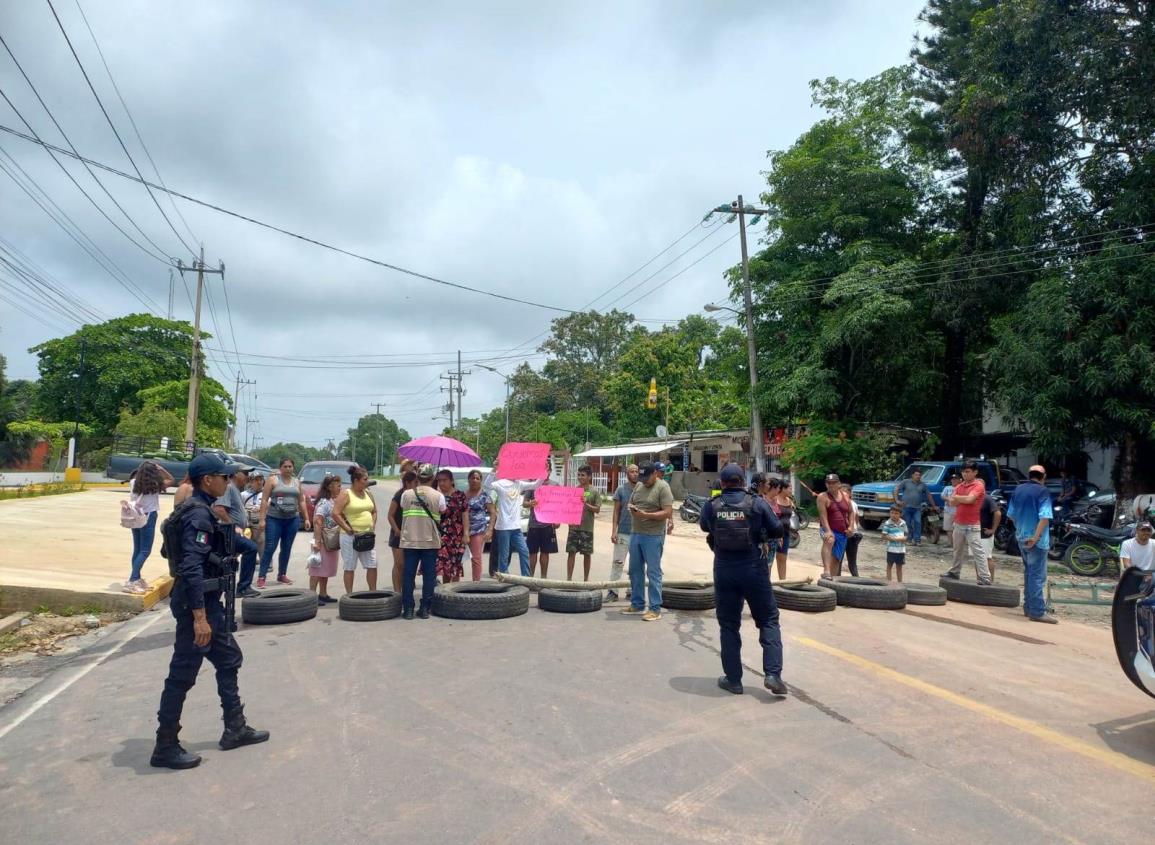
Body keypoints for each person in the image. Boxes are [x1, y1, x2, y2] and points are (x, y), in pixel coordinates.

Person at [150, 452, 268, 770]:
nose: (228, 482)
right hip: (195, 605)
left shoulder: (204, 511)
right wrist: (199, 617)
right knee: (182, 675)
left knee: (229, 658)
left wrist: (243, 542)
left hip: (206, 603)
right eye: (224, 477)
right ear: (208, 480)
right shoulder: (197, 515)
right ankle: (165, 745)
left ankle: (235, 727)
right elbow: (190, 567)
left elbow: (223, 544)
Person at [699, 463, 787, 696]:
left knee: (729, 625)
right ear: (743, 481)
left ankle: (733, 680)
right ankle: (772, 674)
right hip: (754, 569)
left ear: (723, 482)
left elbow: (704, 527)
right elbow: (778, 529)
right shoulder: (757, 503)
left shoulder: (712, 506)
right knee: (768, 620)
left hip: (725, 569)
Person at [621, 462, 673, 621]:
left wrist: (646, 515)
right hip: (636, 533)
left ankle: (655, 609)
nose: (643, 480)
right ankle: (637, 603)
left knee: (653, 572)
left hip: (653, 535)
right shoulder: (638, 486)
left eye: (646, 477)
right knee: (635, 571)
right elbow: (631, 502)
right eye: (640, 477)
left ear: (655, 474)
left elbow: (667, 512)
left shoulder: (662, 487)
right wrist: (632, 509)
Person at [1007, 465, 1055, 623]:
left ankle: (1029, 607)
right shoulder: (1043, 492)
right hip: (1037, 541)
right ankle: (1037, 611)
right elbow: (1044, 517)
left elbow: (1012, 515)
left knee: (1029, 573)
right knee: (1036, 575)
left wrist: (1021, 530)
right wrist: (1036, 536)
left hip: (1021, 537)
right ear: (1043, 476)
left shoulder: (1018, 490)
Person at [400, 464, 447, 618]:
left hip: (410, 541)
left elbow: (402, 507)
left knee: (408, 576)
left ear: (418, 477)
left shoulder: (406, 494)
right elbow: (443, 511)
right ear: (433, 478)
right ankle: (425, 608)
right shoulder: (438, 496)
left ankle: (407, 609)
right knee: (429, 577)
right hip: (429, 541)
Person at [257, 458, 311, 588]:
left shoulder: (297, 482)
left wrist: (307, 518)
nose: (288, 469)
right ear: (280, 468)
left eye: (290, 466)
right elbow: (264, 499)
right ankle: (262, 576)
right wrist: (262, 519)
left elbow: (301, 501)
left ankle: (282, 574)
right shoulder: (273, 480)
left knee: (286, 548)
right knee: (270, 547)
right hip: (274, 519)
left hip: (292, 519)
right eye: (285, 466)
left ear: (293, 468)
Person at [124, 460, 174, 593]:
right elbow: (171, 479)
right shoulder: (155, 485)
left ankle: (137, 578)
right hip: (148, 516)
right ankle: (132, 579)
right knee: (145, 550)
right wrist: (161, 469)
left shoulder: (133, 482)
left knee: (137, 549)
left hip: (135, 515)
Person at [211, 466, 260, 599]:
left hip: (234, 532)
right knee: (251, 548)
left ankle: (227, 592)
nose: (247, 476)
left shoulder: (236, 489)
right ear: (235, 474)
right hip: (227, 532)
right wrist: (232, 525)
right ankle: (243, 587)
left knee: (228, 566)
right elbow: (219, 509)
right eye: (244, 473)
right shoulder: (228, 487)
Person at [488, 466, 543, 576]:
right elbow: (487, 485)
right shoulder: (500, 483)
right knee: (504, 555)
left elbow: (535, 485)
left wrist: (543, 471)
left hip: (516, 527)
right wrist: (494, 470)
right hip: (503, 527)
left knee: (524, 551)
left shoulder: (519, 484)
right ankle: (504, 577)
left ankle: (526, 578)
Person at [333, 465, 378, 593]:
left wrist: (372, 525)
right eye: (365, 479)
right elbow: (335, 513)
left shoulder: (368, 493)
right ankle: (349, 595)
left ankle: (373, 592)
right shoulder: (346, 493)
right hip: (350, 537)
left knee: (372, 564)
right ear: (356, 480)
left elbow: (374, 511)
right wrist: (347, 528)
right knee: (350, 566)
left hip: (367, 535)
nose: (367, 481)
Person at [945, 460, 991, 584]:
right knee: (957, 550)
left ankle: (985, 577)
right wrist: (963, 499)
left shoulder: (978, 485)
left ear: (975, 472)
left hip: (972, 524)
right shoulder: (960, 486)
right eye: (963, 471)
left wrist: (959, 498)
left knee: (978, 551)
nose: (965, 474)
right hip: (959, 522)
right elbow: (952, 502)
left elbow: (969, 499)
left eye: (968, 471)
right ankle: (955, 572)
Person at [608, 464, 639, 602]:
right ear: (627, 474)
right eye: (632, 471)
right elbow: (616, 512)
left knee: (636, 564)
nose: (635, 474)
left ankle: (632, 591)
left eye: (637, 471)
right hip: (623, 532)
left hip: (638, 533)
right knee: (618, 562)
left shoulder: (642, 490)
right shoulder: (621, 489)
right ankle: (613, 591)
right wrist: (614, 531)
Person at [308, 474, 341, 604]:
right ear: (329, 487)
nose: (340, 487)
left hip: (330, 540)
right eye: (337, 485)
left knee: (325, 569)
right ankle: (311, 596)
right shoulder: (324, 503)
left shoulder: (333, 501)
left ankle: (323, 593)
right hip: (321, 540)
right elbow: (317, 522)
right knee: (317, 568)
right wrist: (317, 542)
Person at [566, 465, 601, 581]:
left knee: (587, 554)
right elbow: (568, 508)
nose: (580, 477)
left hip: (587, 527)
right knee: (571, 553)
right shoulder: (574, 490)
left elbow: (597, 509)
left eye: (583, 475)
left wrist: (586, 504)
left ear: (589, 477)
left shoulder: (594, 491)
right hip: (573, 527)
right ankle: (569, 580)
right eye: (579, 475)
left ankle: (586, 580)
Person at [435, 469, 469, 584]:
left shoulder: (460, 496)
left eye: (444, 480)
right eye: (439, 480)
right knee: (444, 565)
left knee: (456, 564)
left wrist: (466, 534)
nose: (441, 483)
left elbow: (465, 515)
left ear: (451, 481)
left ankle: (454, 592)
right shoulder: (436, 496)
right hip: (441, 535)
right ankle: (445, 590)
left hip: (457, 536)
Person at [387, 470, 418, 591]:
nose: (417, 484)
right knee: (399, 564)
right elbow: (390, 515)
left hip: (412, 534)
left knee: (409, 565)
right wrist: (396, 529)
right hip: (398, 534)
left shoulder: (417, 496)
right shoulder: (399, 495)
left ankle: (407, 589)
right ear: (407, 483)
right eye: (415, 482)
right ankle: (397, 592)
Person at [816, 473, 851, 577]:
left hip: (842, 530)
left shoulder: (845, 495)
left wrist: (851, 526)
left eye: (833, 483)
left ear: (839, 484)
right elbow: (823, 516)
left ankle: (833, 579)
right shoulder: (822, 497)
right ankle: (826, 570)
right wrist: (828, 531)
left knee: (836, 558)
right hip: (827, 528)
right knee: (829, 540)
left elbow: (851, 512)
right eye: (828, 483)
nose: (831, 485)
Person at [524, 478, 559, 578]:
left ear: (550, 470)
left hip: (548, 525)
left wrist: (557, 520)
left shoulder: (555, 485)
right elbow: (524, 503)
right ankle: (530, 578)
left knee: (545, 552)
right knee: (532, 552)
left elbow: (560, 505)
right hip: (534, 524)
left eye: (547, 468)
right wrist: (531, 503)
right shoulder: (532, 484)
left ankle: (543, 578)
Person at [465, 470, 493, 582]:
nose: (474, 480)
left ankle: (476, 584)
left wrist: (490, 529)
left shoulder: (484, 495)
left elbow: (493, 512)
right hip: (462, 530)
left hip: (478, 530)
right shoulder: (463, 495)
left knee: (476, 559)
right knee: (457, 558)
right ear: (469, 480)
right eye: (472, 478)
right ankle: (454, 584)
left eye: (477, 478)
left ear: (481, 481)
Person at [896, 469, 936, 546]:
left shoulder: (923, 485)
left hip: (917, 508)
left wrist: (934, 505)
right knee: (907, 523)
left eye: (919, 475)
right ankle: (909, 539)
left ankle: (917, 540)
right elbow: (896, 489)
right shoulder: (906, 482)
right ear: (912, 475)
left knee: (918, 523)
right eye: (916, 475)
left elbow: (929, 495)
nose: (918, 476)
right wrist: (897, 500)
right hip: (906, 507)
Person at [766, 478, 793, 581]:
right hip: (774, 534)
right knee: (770, 559)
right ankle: (767, 582)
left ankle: (783, 581)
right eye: (790, 488)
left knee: (782, 558)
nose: (791, 490)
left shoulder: (789, 501)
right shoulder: (774, 499)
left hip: (785, 533)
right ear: (783, 489)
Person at [880, 505, 908, 583]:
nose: (893, 515)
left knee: (899, 567)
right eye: (892, 513)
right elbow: (883, 536)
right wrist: (895, 539)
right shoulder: (887, 523)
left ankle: (900, 583)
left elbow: (906, 535)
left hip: (901, 550)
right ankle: (889, 583)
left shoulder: (903, 523)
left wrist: (904, 539)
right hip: (891, 549)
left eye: (896, 513)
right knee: (889, 566)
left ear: (900, 514)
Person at [980, 492, 1003, 581]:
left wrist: (993, 529)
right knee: (978, 558)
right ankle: (980, 579)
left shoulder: (987, 498)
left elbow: (998, 513)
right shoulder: (974, 497)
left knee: (987, 557)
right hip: (975, 533)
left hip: (985, 534)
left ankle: (990, 580)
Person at [842, 483, 862, 577]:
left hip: (851, 535)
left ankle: (857, 580)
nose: (843, 494)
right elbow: (856, 519)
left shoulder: (852, 504)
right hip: (845, 534)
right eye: (841, 492)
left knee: (851, 561)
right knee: (840, 559)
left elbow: (856, 518)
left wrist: (853, 528)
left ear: (850, 493)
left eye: (845, 492)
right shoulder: (852, 504)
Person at [941, 473, 960, 549]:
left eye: (956, 479)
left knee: (958, 529)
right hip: (948, 511)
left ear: (959, 480)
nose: (954, 480)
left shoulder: (961, 487)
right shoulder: (947, 488)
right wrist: (948, 499)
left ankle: (957, 544)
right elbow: (942, 496)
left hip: (958, 511)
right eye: (953, 479)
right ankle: (950, 543)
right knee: (948, 528)